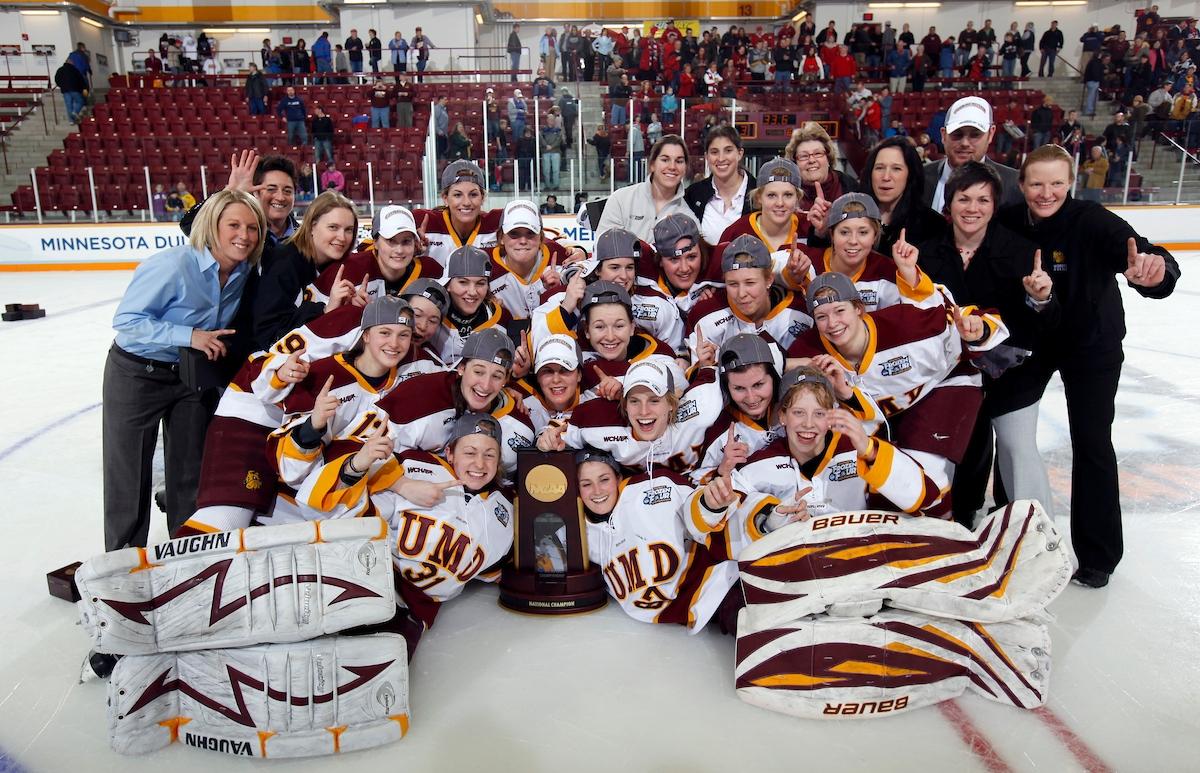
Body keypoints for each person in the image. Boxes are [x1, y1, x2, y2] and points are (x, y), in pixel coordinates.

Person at [997, 144, 1180, 588]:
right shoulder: (1008, 221)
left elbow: (1147, 256)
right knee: (1006, 429)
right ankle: (1009, 527)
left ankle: (1097, 556)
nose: (1046, 192)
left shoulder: (1093, 220)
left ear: (1071, 183)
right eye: (1037, 183)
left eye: (1056, 183)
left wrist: (1157, 274)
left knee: (1093, 442)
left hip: (1091, 345)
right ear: (1021, 185)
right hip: (1034, 341)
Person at [103, 190, 265, 550]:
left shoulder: (243, 271)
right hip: (136, 374)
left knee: (190, 471)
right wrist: (189, 335)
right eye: (234, 225)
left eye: (252, 227)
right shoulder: (173, 265)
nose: (244, 235)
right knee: (129, 474)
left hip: (190, 376)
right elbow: (126, 320)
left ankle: (185, 555)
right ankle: (125, 563)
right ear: (212, 227)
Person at [916, 161, 1056, 527]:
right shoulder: (926, 253)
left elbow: (1041, 322)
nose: (972, 208)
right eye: (964, 198)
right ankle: (961, 521)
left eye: (983, 200)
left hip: (1012, 375)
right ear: (949, 203)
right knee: (966, 448)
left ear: (995, 206)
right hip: (951, 373)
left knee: (1015, 449)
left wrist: (1039, 298)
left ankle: (1032, 530)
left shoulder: (1023, 251)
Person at [254, 190, 359, 350]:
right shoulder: (284, 263)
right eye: (333, 227)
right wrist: (325, 310)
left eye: (348, 230)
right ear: (311, 226)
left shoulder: (339, 265)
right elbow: (269, 334)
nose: (342, 237)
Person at [923, 96, 1021, 212]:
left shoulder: (1014, 184)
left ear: (990, 134)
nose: (965, 143)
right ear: (944, 135)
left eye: (975, 135)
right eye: (957, 134)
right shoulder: (918, 177)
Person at [595, 135, 698, 242]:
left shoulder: (689, 217)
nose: (672, 167)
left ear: (685, 168)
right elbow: (603, 247)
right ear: (652, 164)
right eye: (665, 160)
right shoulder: (621, 199)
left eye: (679, 161)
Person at [855, 136, 946, 256]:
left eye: (896, 169)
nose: (886, 177)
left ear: (910, 175)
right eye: (879, 168)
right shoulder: (853, 215)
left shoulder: (932, 226)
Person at [412, 161, 502, 268]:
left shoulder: (497, 222)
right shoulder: (424, 223)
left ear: (482, 198)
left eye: (473, 194)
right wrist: (410, 251)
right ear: (445, 198)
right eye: (457, 195)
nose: (466, 202)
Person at [684, 126, 752, 246]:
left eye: (728, 150)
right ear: (706, 156)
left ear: (740, 153)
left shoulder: (759, 193)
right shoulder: (693, 194)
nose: (721, 158)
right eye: (714, 152)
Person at [783, 122, 857, 222]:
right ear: (795, 163)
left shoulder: (851, 188)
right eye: (804, 156)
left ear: (828, 158)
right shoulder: (785, 194)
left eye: (818, 153)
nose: (812, 160)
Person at [54, 56, 88, 124]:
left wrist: (61, 85)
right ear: (70, 62)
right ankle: (75, 112)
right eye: (73, 62)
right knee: (80, 101)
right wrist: (84, 88)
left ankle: (71, 121)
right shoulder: (75, 70)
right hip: (74, 89)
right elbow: (81, 80)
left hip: (65, 90)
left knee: (68, 105)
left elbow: (56, 79)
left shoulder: (60, 70)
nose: (74, 63)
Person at [1083, 52, 1108, 117]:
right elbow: (1095, 73)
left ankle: (1091, 110)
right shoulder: (1095, 63)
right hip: (1093, 81)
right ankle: (1089, 110)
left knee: (1094, 96)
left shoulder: (1093, 62)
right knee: (1091, 97)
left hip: (1092, 81)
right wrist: (1099, 78)